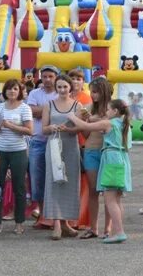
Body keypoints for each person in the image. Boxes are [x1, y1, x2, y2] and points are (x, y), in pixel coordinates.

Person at [68, 99, 132, 244]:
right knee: (117, 199)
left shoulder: (108, 123)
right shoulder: (124, 124)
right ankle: (117, 230)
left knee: (110, 199)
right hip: (122, 160)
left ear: (115, 111)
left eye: (108, 110)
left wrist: (72, 116)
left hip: (112, 160)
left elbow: (85, 126)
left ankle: (119, 231)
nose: (106, 113)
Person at [41, 74, 81, 240]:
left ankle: (65, 223)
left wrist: (69, 129)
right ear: (56, 88)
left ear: (70, 87)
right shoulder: (49, 105)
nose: (63, 90)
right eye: (59, 87)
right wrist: (52, 127)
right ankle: (56, 223)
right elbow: (43, 129)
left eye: (65, 87)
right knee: (54, 181)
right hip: (54, 146)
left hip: (71, 146)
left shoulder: (78, 106)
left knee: (70, 183)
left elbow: (79, 128)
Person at [0, 79, 33, 235]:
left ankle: (19, 221)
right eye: (9, 89)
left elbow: (30, 131)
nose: (12, 92)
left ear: (20, 91)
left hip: (18, 150)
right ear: (5, 91)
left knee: (19, 187)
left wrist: (11, 126)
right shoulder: (0, 107)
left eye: (15, 89)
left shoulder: (25, 108)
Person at [78, 77, 114, 239]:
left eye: (96, 91)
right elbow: (85, 134)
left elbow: (117, 124)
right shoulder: (87, 109)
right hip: (91, 150)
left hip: (109, 152)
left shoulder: (113, 109)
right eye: (92, 91)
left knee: (108, 191)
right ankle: (93, 228)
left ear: (104, 91)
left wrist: (95, 120)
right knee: (93, 190)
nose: (93, 95)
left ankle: (108, 228)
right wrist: (84, 121)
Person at [26, 65, 59, 224]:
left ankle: (55, 215)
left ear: (56, 77)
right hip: (38, 140)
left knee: (56, 177)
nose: (47, 80)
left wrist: (43, 111)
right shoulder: (34, 93)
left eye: (50, 76)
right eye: (44, 76)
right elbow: (30, 111)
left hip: (57, 141)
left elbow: (64, 111)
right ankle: (42, 214)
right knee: (37, 178)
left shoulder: (61, 92)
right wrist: (52, 111)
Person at [67, 68, 92, 231]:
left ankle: (81, 219)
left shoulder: (86, 98)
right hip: (66, 142)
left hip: (82, 142)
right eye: (73, 78)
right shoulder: (64, 97)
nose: (76, 81)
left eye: (79, 78)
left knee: (84, 183)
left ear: (83, 82)